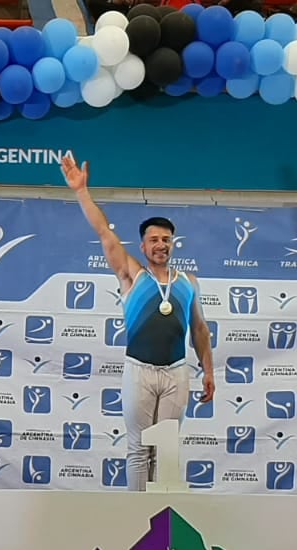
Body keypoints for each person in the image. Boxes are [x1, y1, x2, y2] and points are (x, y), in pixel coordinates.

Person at [60, 154, 214, 492]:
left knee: (166, 450)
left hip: (176, 370)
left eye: (167, 240)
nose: (161, 245)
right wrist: (82, 192)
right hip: (139, 370)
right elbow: (104, 232)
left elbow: (200, 329)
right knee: (139, 449)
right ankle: (135, 519)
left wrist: (209, 371)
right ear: (143, 245)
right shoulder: (132, 274)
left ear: (173, 245)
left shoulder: (188, 281)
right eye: (155, 240)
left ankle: (164, 522)